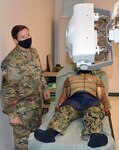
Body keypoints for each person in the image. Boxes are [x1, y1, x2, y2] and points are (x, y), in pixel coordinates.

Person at [1, 25, 50, 150]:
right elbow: (7, 90)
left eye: (28, 35)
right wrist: (12, 115)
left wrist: (45, 88)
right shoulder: (11, 61)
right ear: (16, 40)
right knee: (22, 145)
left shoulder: (33, 52)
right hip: (22, 112)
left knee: (34, 141)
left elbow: (39, 72)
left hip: (36, 107)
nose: (27, 38)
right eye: (23, 37)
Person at [34, 70, 110, 148]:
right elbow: (64, 96)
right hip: (74, 101)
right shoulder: (70, 79)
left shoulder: (96, 79)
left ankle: (96, 136)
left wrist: (106, 108)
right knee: (65, 110)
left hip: (91, 101)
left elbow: (102, 96)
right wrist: (59, 105)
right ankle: (49, 134)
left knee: (94, 112)